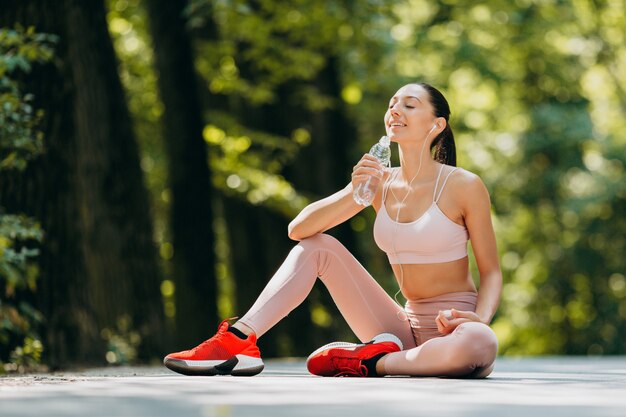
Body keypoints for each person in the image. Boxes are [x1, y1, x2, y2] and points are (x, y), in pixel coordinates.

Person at [163, 83, 501, 378]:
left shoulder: (463, 185)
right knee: (317, 246)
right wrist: (355, 192)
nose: (395, 109)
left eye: (409, 104)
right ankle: (237, 341)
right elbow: (299, 230)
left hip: (455, 326)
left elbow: (492, 272)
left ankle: (373, 362)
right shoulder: (378, 183)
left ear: (437, 124)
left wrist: (479, 318)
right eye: (392, 104)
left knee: (478, 344)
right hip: (399, 328)